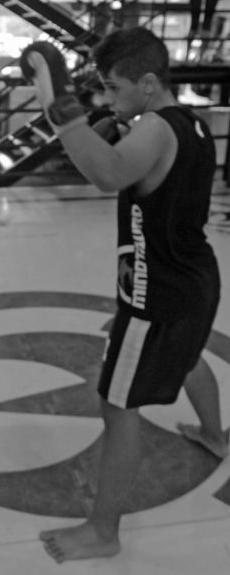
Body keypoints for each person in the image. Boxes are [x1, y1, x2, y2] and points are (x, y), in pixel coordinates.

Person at [20, 29, 228, 563]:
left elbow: (108, 173)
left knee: (118, 406)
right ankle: (215, 435)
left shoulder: (156, 128)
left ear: (149, 83)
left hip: (160, 293)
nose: (109, 100)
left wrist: (61, 108)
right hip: (192, 281)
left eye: (114, 89)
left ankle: (103, 530)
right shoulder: (193, 124)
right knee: (186, 360)